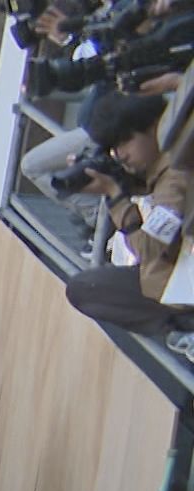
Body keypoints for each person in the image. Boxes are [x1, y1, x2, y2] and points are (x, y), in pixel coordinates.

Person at [62, 93, 194, 349]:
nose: (120, 154)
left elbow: (150, 250)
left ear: (155, 127)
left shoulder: (174, 177)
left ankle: (184, 323)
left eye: (125, 141)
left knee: (86, 289)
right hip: (179, 271)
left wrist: (117, 198)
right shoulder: (169, 165)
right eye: (114, 148)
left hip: (182, 281)